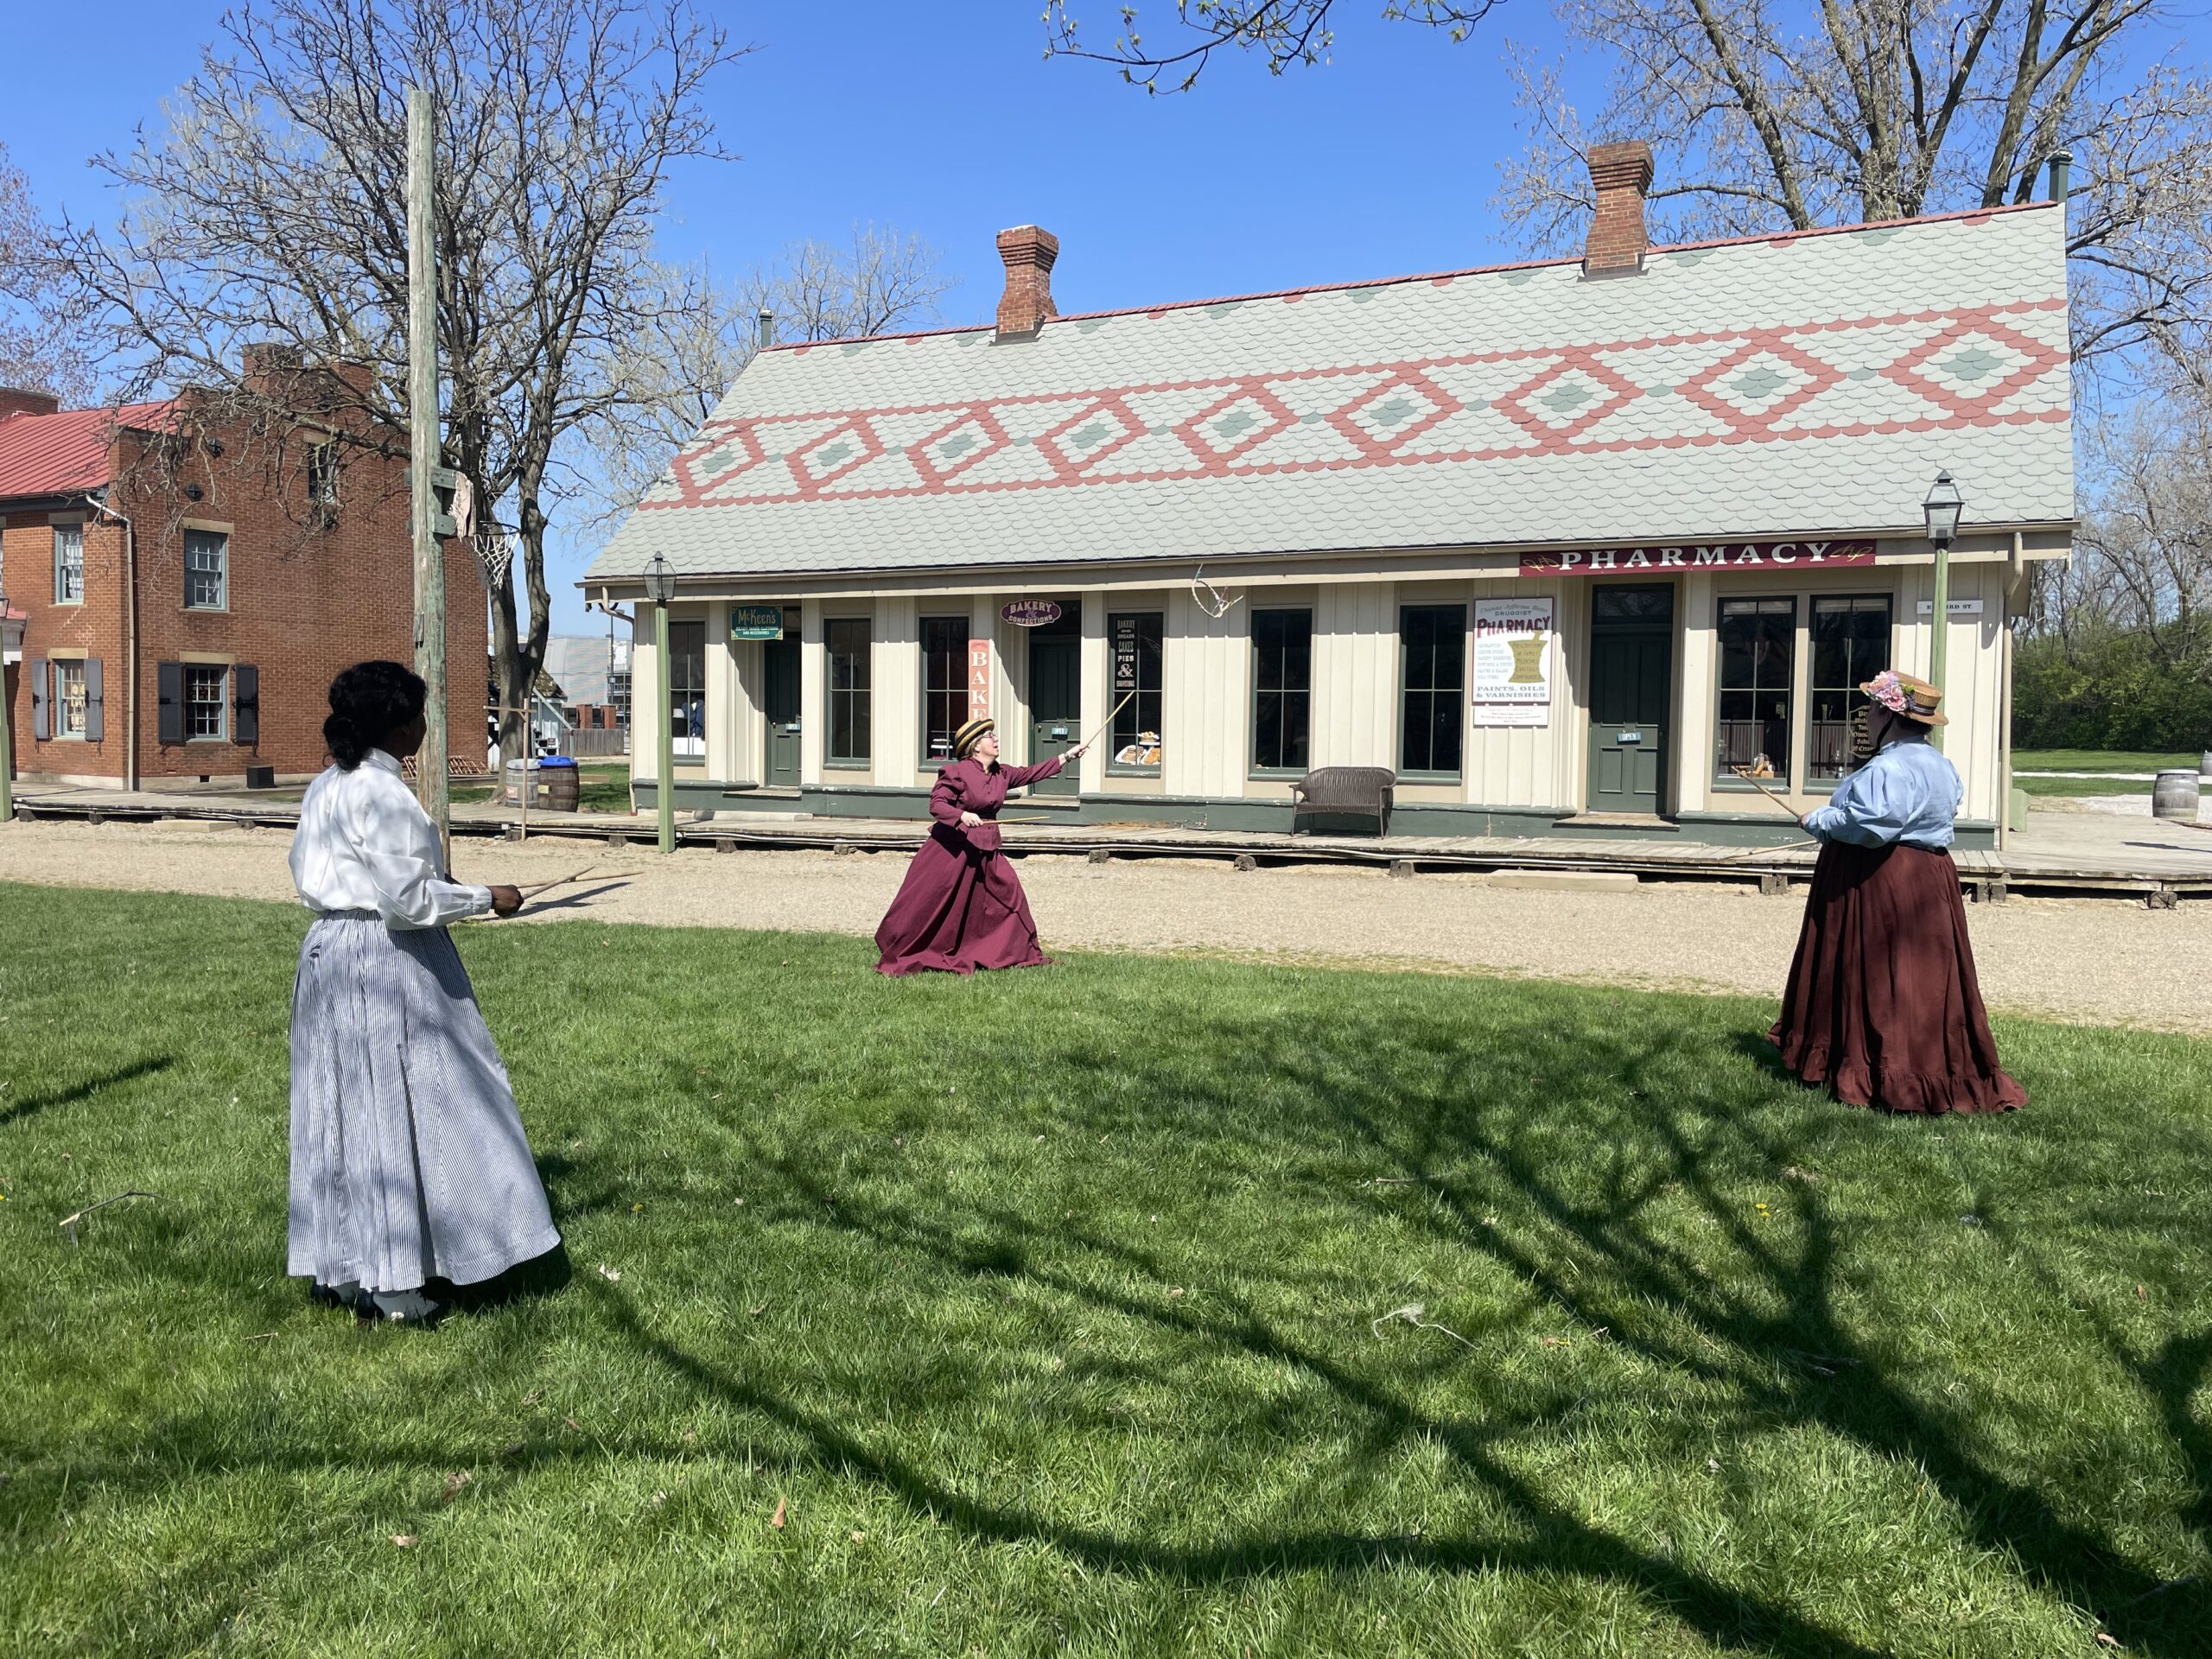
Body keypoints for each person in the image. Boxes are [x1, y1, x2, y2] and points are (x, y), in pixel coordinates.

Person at [287, 660, 563, 1324]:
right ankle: (395, 1280)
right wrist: (485, 896)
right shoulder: (382, 794)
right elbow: (407, 902)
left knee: (341, 1108)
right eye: (417, 715)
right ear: (398, 724)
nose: (423, 727)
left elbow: (320, 871)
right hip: (384, 957)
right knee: (399, 1104)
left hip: (329, 952)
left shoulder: (326, 786)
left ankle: (345, 1267)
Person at [1769, 669, 2027, 1115]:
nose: (1867, 714)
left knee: (1876, 971)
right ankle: (1926, 1063)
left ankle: (1879, 1071)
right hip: (1929, 878)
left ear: (1890, 714)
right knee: (1922, 975)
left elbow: (1872, 828)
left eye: (1872, 706)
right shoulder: (1941, 766)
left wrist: (1819, 821)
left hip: (1879, 877)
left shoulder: (1889, 767)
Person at [875, 717, 1088, 976]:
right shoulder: (956, 773)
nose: (996, 739)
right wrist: (961, 816)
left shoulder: (1001, 772)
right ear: (976, 746)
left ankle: (1012, 951)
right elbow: (937, 804)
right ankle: (910, 947)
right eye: (990, 736)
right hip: (951, 850)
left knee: (1010, 896)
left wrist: (1067, 756)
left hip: (986, 848)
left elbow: (1031, 772)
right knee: (934, 904)